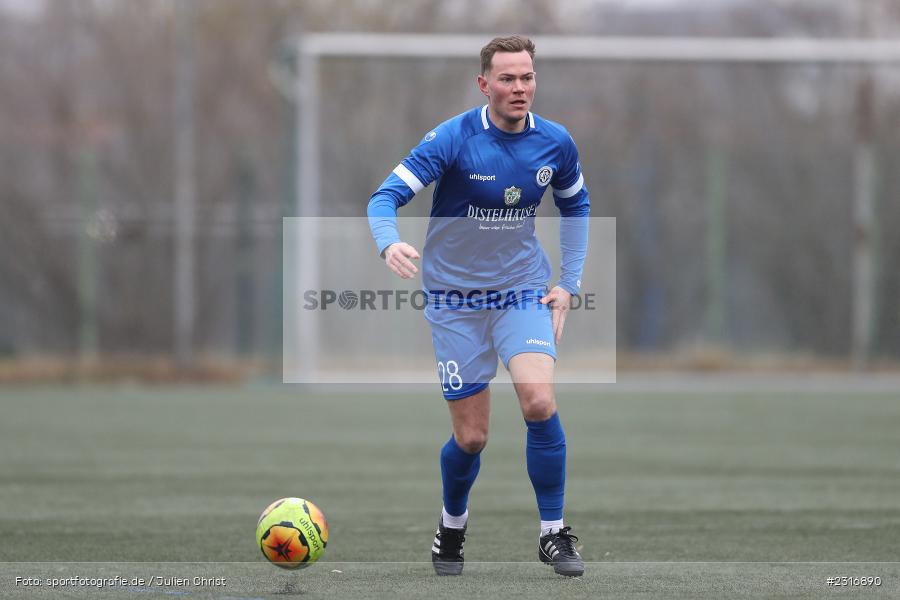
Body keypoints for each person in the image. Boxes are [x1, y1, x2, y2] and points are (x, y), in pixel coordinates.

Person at [367, 35, 589, 577]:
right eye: (508, 78)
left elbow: (576, 204)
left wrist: (569, 282)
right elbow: (384, 197)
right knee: (472, 437)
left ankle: (553, 534)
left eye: (528, 77)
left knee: (538, 402)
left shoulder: (556, 143)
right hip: (454, 301)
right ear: (484, 83)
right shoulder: (453, 138)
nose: (520, 88)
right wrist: (389, 240)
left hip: (521, 291)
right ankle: (452, 526)